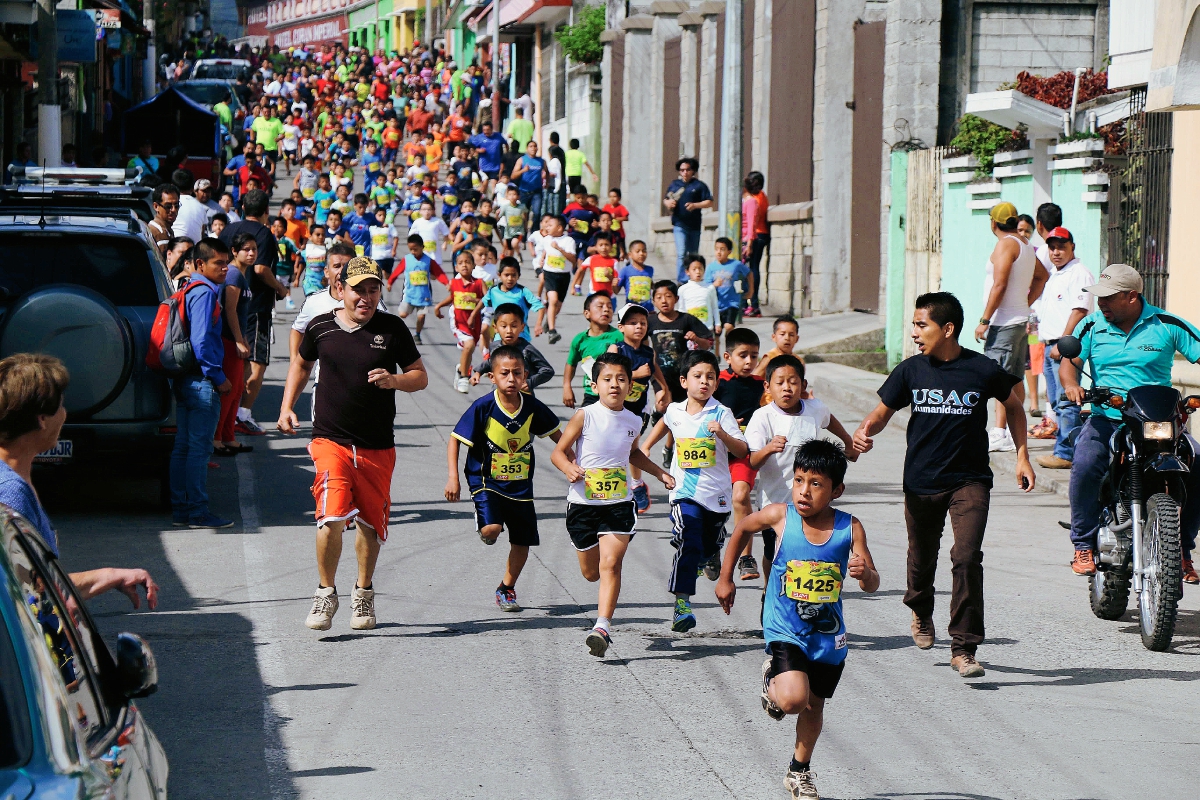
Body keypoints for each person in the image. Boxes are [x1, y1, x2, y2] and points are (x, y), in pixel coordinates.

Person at [853, 292, 1035, 678]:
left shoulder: (982, 369)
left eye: (922, 325)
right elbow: (882, 412)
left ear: (947, 328)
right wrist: (865, 430)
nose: (915, 333)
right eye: (915, 325)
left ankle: (964, 648)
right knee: (921, 557)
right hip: (920, 481)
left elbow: (1015, 405)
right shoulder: (911, 370)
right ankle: (920, 609)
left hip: (969, 480)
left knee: (966, 557)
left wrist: (1022, 456)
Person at [716, 439, 879, 800]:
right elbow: (742, 528)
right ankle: (772, 675)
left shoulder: (849, 528)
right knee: (792, 701)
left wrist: (863, 573)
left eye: (816, 484)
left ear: (836, 490)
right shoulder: (780, 516)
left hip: (828, 635)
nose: (804, 491)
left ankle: (798, 771)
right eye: (800, 480)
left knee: (814, 704)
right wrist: (726, 578)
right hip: (785, 628)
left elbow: (873, 581)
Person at [278, 256, 428, 631]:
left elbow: (420, 376)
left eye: (372, 289)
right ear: (340, 289)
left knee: (370, 526)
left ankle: (363, 595)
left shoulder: (393, 329)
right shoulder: (321, 327)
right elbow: (301, 364)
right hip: (331, 439)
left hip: (377, 444)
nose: (365, 297)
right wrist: (286, 406)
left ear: (380, 291)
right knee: (330, 516)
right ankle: (325, 593)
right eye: (357, 289)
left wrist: (395, 381)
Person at [1057, 264, 1200, 583]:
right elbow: (1070, 363)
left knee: (1198, 462)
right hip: (1107, 418)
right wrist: (1071, 386)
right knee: (1085, 462)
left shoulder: (1167, 324)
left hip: (1158, 420)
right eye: (1099, 298)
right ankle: (1083, 544)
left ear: (1132, 296)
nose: (1101, 304)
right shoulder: (1091, 325)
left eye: (1108, 298)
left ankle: (1183, 552)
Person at [0, 354, 159, 607]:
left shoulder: (15, 478)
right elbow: (32, 591)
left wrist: (111, 577)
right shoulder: (10, 492)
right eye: (61, 406)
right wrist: (109, 575)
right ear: (41, 420)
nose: (64, 414)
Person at [552, 352, 675, 656]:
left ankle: (602, 626)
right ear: (595, 385)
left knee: (611, 564)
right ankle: (601, 615)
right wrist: (569, 468)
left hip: (619, 503)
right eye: (607, 379)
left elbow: (632, 453)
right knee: (591, 572)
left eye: (621, 379)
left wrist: (660, 472)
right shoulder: (586, 415)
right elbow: (559, 452)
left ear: (631, 385)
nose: (615, 385)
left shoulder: (633, 420)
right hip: (582, 504)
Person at [446, 345, 562, 612]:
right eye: (504, 373)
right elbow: (455, 440)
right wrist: (453, 478)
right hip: (486, 480)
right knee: (491, 529)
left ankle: (506, 588)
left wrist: (575, 461)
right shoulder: (483, 406)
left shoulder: (532, 406)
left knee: (522, 541)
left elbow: (560, 438)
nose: (511, 379)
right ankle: (486, 523)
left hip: (521, 485)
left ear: (525, 375)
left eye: (517, 373)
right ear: (492, 377)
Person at [641, 349, 748, 631]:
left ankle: (711, 552)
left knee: (707, 543)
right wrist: (647, 444)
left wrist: (723, 434)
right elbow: (666, 421)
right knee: (689, 539)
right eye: (698, 376)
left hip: (717, 496)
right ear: (684, 381)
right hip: (684, 493)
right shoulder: (675, 410)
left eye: (710, 377)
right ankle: (682, 604)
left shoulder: (722, 413)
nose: (704, 382)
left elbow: (742, 449)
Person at [746, 354, 856, 592]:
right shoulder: (762, 417)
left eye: (793, 381)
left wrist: (848, 442)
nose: (787, 388)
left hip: (809, 501)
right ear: (767, 387)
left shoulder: (814, 408)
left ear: (804, 385)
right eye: (780, 382)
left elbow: (829, 420)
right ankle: (771, 590)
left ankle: (799, 594)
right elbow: (753, 462)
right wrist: (768, 448)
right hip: (773, 501)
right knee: (773, 551)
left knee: (802, 549)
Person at [170, 238, 236, 529]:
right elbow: (200, 340)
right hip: (201, 380)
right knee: (197, 450)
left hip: (186, 377)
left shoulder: (187, 287)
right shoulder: (205, 292)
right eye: (218, 263)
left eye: (226, 262)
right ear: (200, 264)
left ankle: (183, 510)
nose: (225, 269)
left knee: (184, 448)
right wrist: (218, 377)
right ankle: (196, 512)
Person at [975, 201, 1048, 453]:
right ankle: (1011, 432)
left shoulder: (1006, 244)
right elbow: (1042, 277)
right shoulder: (1025, 244)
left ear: (992, 222)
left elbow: (1000, 284)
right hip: (1018, 320)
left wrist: (984, 320)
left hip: (1004, 322)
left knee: (997, 377)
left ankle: (999, 432)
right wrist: (1024, 305)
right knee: (1015, 378)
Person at [219, 189, 287, 436]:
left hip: (227, 304)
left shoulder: (227, 230)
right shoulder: (264, 235)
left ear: (243, 208)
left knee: (236, 364)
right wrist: (280, 288)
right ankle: (242, 414)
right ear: (266, 211)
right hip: (255, 306)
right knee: (256, 364)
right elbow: (260, 269)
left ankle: (228, 416)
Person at [1029, 227, 1095, 471]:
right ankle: (1068, 449)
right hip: (1049, 344)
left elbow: (1079, 310)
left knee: (1067, 401)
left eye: (1061, 247)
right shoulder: (1056, 274)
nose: (1056, 252)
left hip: (1064, 346)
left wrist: (1064, 340)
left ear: (1072, 247)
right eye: (1052, 247)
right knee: (1058, 402)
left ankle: (1068, 454)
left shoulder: (1079, 273)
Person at [713, 327, 766, 581]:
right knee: (712, 503)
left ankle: (746, 557)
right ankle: (712, 547)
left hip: (744, 452)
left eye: (754, 356)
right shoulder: (717, 382)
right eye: (743, 355)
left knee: (741, 495)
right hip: (716, 452)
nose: (749, 362)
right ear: (727, 356)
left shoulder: (760, 386)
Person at [213, 232, 255, 457]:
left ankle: (229, 436)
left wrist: (245, 339)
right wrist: (239, 340)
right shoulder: (233, 275)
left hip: (238, 340)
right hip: (228, 341)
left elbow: (241, 313)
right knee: (228, 391)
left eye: (254, 249)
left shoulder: (241, 275)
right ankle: (217, 438)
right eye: (246, 249)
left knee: (237, 389)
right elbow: (229, 310)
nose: (251, 253)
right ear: (234, 251)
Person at [434, 250, 487, 393]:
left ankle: (460, 369)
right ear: (456, 267)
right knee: (468, 345)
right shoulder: (454, 283)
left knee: (469, 350)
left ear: (473, 265)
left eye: (468, 262)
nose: (464, 265)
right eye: (460, 263)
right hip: (459, 323)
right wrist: (438, 306)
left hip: (474, 324)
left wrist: (474, 300)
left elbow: (488, 301)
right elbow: (452, 298)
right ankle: (464, 376)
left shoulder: (479, 283)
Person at [563, 292, 624, 410]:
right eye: (600, 306)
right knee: (585, 423)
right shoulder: (580, 340)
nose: (606, 310)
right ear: (587, 313)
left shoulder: (618, 336)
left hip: (615, 393)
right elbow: (571, 363)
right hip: (591, 393)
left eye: (610, 307)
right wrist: (567, 387)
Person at [472, 304, 554, 391]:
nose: (509, 331)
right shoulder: (494, 347)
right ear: (495, 328)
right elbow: (491, 361)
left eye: (514, 326)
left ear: (522, 327)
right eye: (504, 326)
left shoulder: (527, 350)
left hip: (522, 397)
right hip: (498, 395)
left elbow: (547, 370)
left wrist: (530, 382)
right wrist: (478, 372)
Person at [388, 234, 449, 345]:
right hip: (409, 294)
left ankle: (417, 334)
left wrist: (446, 283)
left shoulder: (428, 261)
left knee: (421, 316)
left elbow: (439, 273)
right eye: (410, 249)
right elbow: (397, 271)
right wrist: (390, 282)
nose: (413, 252)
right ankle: (404, 329)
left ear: (422, 247)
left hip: (423, 295)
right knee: (402, 314)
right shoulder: (407, 259)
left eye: (415, 249)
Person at [663, 158, 713, 283]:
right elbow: (666, 199)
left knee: (693, 253)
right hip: (679, 224)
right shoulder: (674, 185)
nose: (685, 172)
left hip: (695, 225)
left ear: (693, 170)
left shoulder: (699, 185)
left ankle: (694, 277)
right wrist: (669, 203)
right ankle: (682, 280)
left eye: (688, 170)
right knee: (681, 253)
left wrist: (695, 205)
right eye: (682, 170)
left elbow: (709, 202)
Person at [535, 214, 577, 344]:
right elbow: (546, 250)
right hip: (550, 274)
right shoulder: (547, 239)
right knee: (552, 300)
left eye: (550, 225)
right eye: (546, 225)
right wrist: (543, 257)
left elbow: (573, 260)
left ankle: (549, 320)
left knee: (558, 305)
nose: (547, 227)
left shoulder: (568, 241)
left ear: (559, 228)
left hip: (563, 276)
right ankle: (552, 332)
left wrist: (559, 249)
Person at [706, 237, 753, 344]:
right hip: (716, 304)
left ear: (729, 251)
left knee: (729, 326)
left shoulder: (736, 265)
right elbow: (706, 287)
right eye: (716, 249)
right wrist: (714, 285)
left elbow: (749, 274)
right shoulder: (711, 268)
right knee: (716, 332)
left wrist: (751, 291)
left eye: (722, 249)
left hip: (732, 302)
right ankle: (717, 354)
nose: (719, 252)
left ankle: (729, 342)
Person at [740, 171, 770, 317]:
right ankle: (748, 303)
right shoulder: (761, 196)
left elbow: (752, 221)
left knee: (751, 270)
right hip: (757, 234)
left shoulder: (754, 199)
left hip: (754, 236)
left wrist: (749, 242)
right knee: (750, 269)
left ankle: (752, 303)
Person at [677, 254, 720, 345]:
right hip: (690, 331)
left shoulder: (710, 288)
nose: (698, 272)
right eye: (694, 269)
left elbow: (714, 307)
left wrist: (717, 323)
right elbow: (681, 310)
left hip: (707, 329)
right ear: (687, 272)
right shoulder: (682, 290)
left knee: (707, 356)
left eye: (700, 269)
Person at [171, 169, 209, 242]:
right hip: (193, 250)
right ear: (192, 188)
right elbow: (202, 232)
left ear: (172, 186)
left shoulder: (169, 204)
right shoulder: (200, 207)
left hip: (174, 247)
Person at [149, 183, 181, 256]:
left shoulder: (164, 229)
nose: (173, 210)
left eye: (176, 205)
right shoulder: (160, 233)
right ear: (156, 206)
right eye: (168, 206)